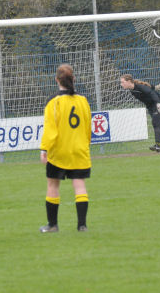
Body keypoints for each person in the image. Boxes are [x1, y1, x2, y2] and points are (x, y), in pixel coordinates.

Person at [39, 64, 92, 233]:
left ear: (57, 80)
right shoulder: (82, 101)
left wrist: (44, 149)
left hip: (59, 152)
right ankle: (82, 225)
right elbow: (87, 125)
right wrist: (85, 144)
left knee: (53, 185)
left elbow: (50, 129)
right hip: (78, 149)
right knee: (79, 185)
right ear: (73, 79)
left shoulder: (53, 102)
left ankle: (52, 225)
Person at [120, 74, 160, 153]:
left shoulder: (139, 87)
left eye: (123, 82)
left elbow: (152, 93)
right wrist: (155, 87)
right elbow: (149, 87)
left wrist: (158, 104)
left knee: (156, 123)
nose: (121, 84)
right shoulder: (132, 89)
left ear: (129, 81)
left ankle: (157, 145)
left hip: (156, 103)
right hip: (150, 106)